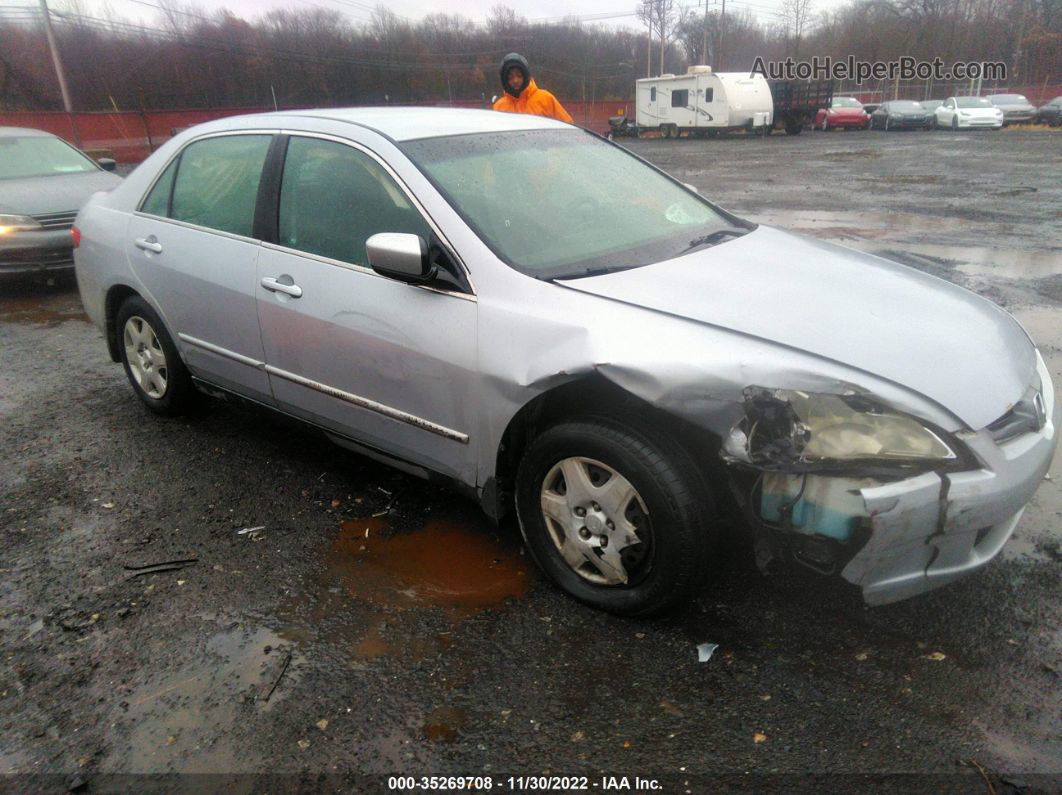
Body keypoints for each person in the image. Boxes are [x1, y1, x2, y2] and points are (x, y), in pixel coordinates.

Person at [492, 53, 573, 123]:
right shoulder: (499, 107)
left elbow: (568, 127)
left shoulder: (545, 98)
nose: (515, 80)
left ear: (526, 76)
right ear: (505, 81)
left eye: (519, 76)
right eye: (510, 77)